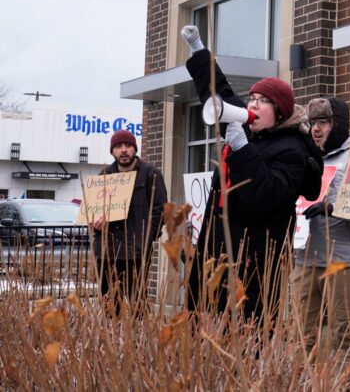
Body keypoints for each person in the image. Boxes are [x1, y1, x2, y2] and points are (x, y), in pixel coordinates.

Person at [180, 25, 322, 322]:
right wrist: (198, 48)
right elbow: (219, 91)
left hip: (252, 264)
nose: (253, 105)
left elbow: (265, 197)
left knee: (242, 335)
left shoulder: (292, 150)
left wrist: (242, 150)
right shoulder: (246, 129)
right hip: (216, 252)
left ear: (280, 111)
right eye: (253, 98)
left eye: (264, 101)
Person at [293, 96, 350, 354]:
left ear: (337, 124)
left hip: (343, 258)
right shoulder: (304, 155)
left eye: (323, 122)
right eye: (312, 122)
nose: (316, 129)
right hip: (305, 256)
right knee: (301, 335)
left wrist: (332, 208)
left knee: (343, 332)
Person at [92, 129, 167, 311]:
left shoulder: (150, 173)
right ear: (112, 151)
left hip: (136, 252)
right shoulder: (104, 175)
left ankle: (138, 339)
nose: (123, 150)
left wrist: (146, 239)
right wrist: (96, 224)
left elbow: (160, 211)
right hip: (107, 250)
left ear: (135, 149)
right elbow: (93, 210)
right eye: (118, 146)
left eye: (128, 146)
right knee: (109, 303)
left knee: (137, 303)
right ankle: (111, 338)